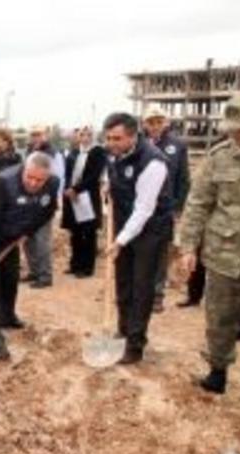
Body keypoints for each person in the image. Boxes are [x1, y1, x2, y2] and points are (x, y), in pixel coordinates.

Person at [177, 92, 240, 394]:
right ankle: (218, 370)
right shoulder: (219, 156)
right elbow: (198, 203)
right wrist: (187, 247)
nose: (234, 133)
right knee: (220, 316)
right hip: (226, 253)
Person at [0, 152, 60, 359]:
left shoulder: (53, 183)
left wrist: (27, 232)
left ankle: (7, 316)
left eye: (40, 180)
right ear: (24, 169)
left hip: (11, 236)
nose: (34, 183)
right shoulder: (3, 182)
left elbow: (47, 211)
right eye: (30, 177)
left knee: (10, 276)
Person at [103, 112, 172, 365]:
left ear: (133, 136)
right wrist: (108, 185)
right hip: (125, 225)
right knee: (123, 281)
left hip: (150, 230)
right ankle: (123, 331)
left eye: (117, 138)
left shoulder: (153, 162)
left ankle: (135, 345)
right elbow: (115, 176)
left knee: (141, 287)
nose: (111, 143)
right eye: (108, 138)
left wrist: (120, 241)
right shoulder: (115, 153)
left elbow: (144, 209)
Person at [142, 107, 191, 313]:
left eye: (158, 121)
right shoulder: (139, 144)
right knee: (141, 250)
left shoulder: (177, 145)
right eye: (150, 122)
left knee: (160, 253)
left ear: (166, 122)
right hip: (141, 208)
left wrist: (177, 207)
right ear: (144, 124)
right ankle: (141, 294)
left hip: (164, 209)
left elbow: (183, 179)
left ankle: (157, 295)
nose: (155, 126)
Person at [23, 124, 65, 288]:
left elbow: (58, 179)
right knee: (28, 240)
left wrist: (54, 200)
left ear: (45, 135)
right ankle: (34, 271)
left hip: (45, 202)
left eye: (39, 134)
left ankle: (45, 275)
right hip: (29, 202)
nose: (36, 138)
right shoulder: (29, 152)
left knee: (42, 240)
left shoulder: (54, 154)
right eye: (33, 134)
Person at [61, 127, 107, 278]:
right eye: (82, 134)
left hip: (88, 196)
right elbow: (67, 173)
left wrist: (77, 189)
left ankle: (87, 267)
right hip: (72, 197)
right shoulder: (74, 152)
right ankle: (75, 264)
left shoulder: (98, 152)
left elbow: (94, 176)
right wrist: (68, 189)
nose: (85, 137)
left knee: (88, 233)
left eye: (88, 135)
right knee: (75, 232)